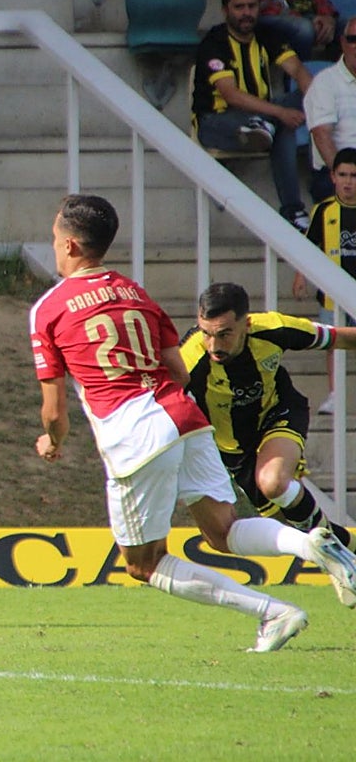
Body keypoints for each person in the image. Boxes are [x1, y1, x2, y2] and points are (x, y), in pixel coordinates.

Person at [31, 194, 356, 653]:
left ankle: (274, 612)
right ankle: (313, 545)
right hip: (183, 416)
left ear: (69, 246)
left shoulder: (49, 308)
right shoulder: (136, 293)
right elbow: (179, 372)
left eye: (53, 239)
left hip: (136, 434)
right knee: (222, 532)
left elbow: (54, 411)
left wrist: (53, 440)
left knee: (144, 564)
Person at [184, 282, 356, 554]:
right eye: (207, 334)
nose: (214, 345)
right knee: (293, 535)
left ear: (247, 324)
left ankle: (338, 552)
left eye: (225, 334)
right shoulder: (189, 359)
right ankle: (346, 549)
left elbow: (339, 338)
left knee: (273, 482)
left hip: (278, 414)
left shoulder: (274, 329)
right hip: (233, 451)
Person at [192, 0, 313, 232]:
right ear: (226, 10)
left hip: (262, 114)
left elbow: (298, 70)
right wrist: (280, 112)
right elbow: (231, 95)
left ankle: (262, 128)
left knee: (306, 98)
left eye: (251, 6)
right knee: (282, 122)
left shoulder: (266, 34)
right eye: (239, 7)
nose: (247, 13)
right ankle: (293, 210)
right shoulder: (214, 43)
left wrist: (315, 98)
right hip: (218, 121)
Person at [292, 146, 356, 414]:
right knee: (334, 343)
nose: (348, 181)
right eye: (343, 174)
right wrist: (300, 276)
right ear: (332, 177)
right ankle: (335, 394)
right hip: (331, 293)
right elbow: (309, 246)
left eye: (354, 175)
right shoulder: (324, 210)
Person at [304, 16, 356, 203]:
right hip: (336, 174)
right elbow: (321, 136)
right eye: (353, 40)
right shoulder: (325, 83)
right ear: (342, 43)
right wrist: (346, 180)